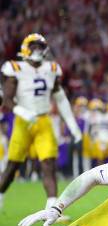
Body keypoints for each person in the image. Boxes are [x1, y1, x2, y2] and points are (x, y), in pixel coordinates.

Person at [0, 34, 82, 212]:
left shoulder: (51, 68)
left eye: (40, 47)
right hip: (22, 121)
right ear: (25, 48)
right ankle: (0, 195)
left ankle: (52, 207)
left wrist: (72, 125)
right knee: (13, 164)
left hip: (43, 119)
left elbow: (60, 99)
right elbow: (6, 99)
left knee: (48, 163)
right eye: (34, 46)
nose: (37, 50)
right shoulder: (15, 67)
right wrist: (21, 111)